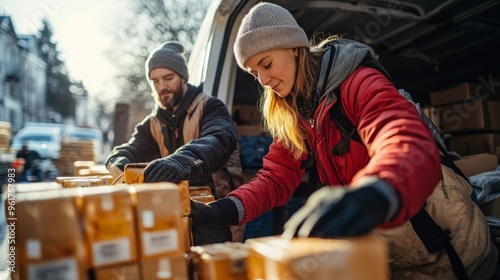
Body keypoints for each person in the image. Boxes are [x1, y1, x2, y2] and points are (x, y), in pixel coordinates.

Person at [189, 2, 498, 279]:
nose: (264, 81)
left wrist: (376, 192)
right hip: (389, 251)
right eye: (254, 73)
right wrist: (222, 210)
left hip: (444, 239)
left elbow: (403, 139)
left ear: (294, 48)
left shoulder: (356, 81)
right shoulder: (296, 114)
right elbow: (275, 178)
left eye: (266, 64)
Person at [105, 41, 245, 245]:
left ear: (183, 77)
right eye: (155, 81)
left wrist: (180, 163)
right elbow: (126, 152)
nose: (162, 86)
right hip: (171, 216)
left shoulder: (211, 107)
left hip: (214, 214)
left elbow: (218, 139)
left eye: (168, 78)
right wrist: (119, 168)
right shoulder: (153, 123)